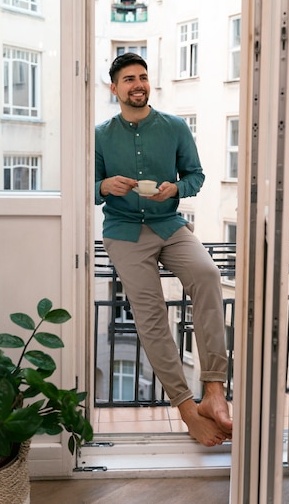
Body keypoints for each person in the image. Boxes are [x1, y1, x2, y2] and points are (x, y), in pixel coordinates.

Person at [95, 53, 233, 446]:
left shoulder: (173, 127)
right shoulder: (101, 135)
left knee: (207, 275)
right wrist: (105, 187)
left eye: (142, 77)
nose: (137, 84)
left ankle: (214, 390)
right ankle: (188, 410)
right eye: (128, 80)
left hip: (170, 226)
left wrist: (178, 188)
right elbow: (87, 187)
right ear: (115, 88)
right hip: (124, 232)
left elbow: (197, 174)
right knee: (150, 312)